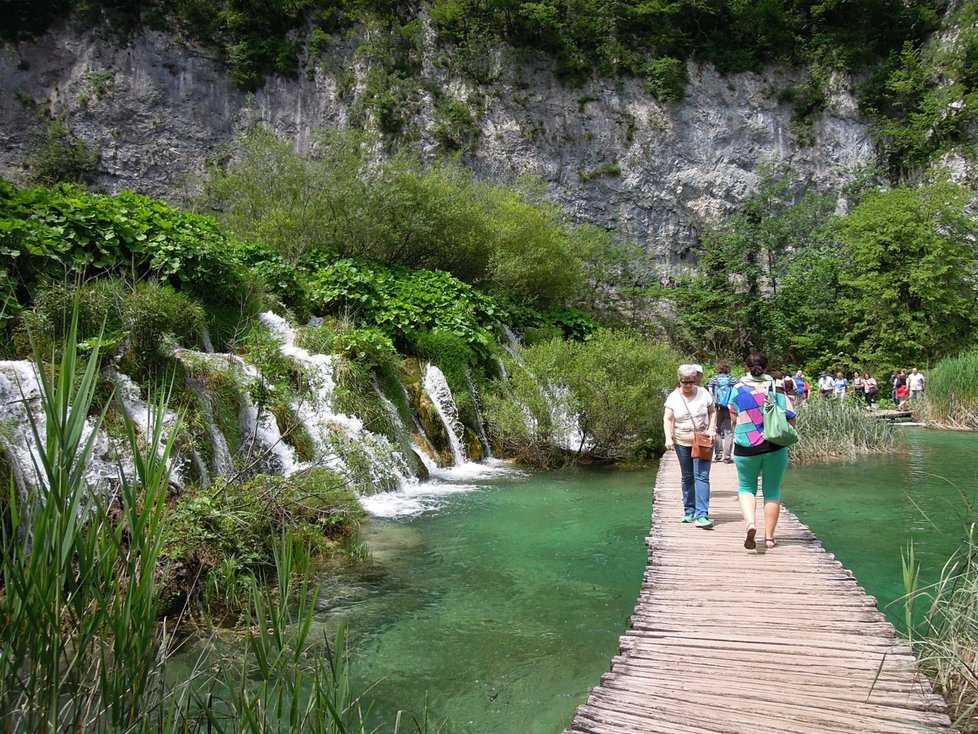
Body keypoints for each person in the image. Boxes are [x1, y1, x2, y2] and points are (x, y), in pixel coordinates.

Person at [729, 352, 796, 550]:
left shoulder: (738, 389)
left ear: (746, 367)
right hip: (774, 445)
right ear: (766, 368)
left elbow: (733, 419)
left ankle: (751, 524)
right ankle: (769, 538)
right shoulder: (777, 387)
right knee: (772, 491)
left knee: (746, 488)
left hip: (745, 447)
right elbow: (791, 417)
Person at [663, 364, 717, 529]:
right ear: (679, 380)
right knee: (687, 476)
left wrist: (711, 428)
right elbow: (668, 419)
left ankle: (702, 515)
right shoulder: (673, 397)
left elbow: (713, 411)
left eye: (690, 382)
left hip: (702, 440)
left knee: (701, 476)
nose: (687, 386)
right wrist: (668, 438)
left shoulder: (703, 393)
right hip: (682, 441)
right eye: (684, 382)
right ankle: (689, 510)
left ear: (696, 380)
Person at [707, 361, 735, 463]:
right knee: (729, 432)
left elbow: (710, 391)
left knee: (716, 430)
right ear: (728, 369)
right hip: (729, 409)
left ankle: (718, 454)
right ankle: (727, 457)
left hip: (717, 408)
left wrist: (714, 401)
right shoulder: (732, 379)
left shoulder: (713, 379)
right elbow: (736, 392)